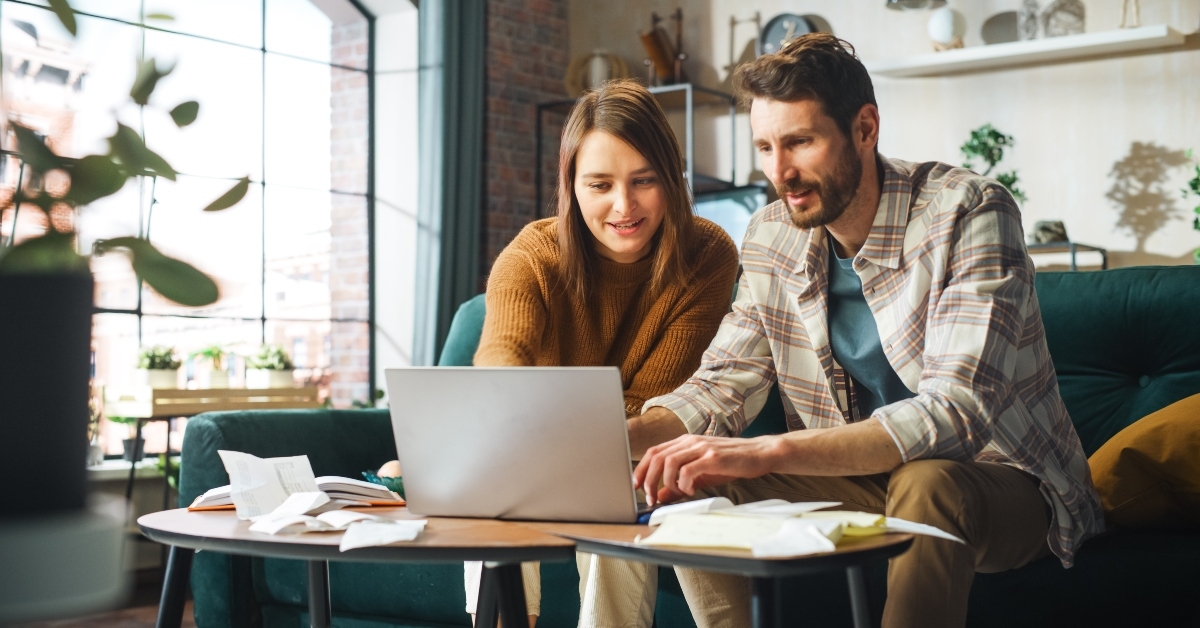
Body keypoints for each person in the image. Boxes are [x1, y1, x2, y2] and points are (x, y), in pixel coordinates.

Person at [620, 33, 1104, 628]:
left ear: (865, 129)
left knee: (928, 483)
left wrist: (764, 450)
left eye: (800, 142)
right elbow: (722, 384)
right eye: (766, 147)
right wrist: (618, 442)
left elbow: (954, 414)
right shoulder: (771, 235)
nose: (781, 172)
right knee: (685, 479)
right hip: (857, 476)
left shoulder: (969, 210)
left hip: (1000, 480)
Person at [382, 79, 739, 627]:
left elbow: (662, 409)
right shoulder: (533, 255)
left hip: (637, 452)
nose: (624, 205)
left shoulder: (707, 254)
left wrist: (552, 436)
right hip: (528, 454)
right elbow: (499, 376)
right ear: (570, 185)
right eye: (600, 184)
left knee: (615, 497)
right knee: (497, 493)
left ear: (671, 178)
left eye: (644, 181)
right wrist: (520, 437)